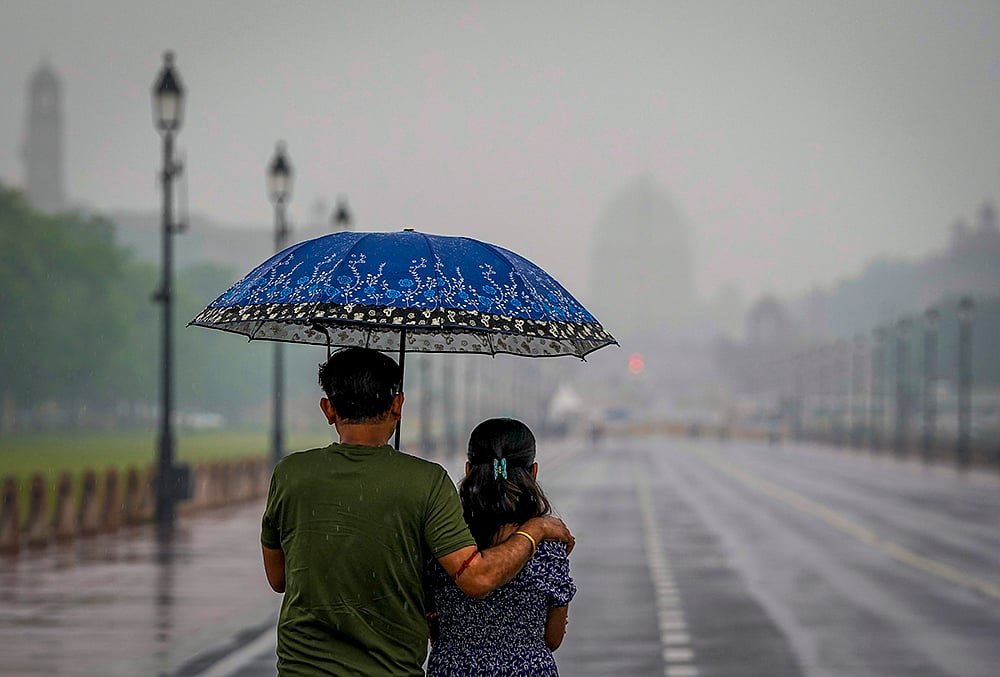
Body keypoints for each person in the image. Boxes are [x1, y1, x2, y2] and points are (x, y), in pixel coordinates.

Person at [260, 347, 574, 676]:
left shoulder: (290, 474)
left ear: (328, 409)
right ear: (397, 405)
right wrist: (536, 530)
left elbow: (279, 578)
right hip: (389, 668)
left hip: (302, 668)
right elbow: (476, 578)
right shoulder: (425, 481)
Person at [425, 418, 576, 676]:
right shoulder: (549, 548)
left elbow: (434, 625)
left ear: (469, 470)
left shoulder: (449, 542)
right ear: (533, 472)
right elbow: (552, 639)